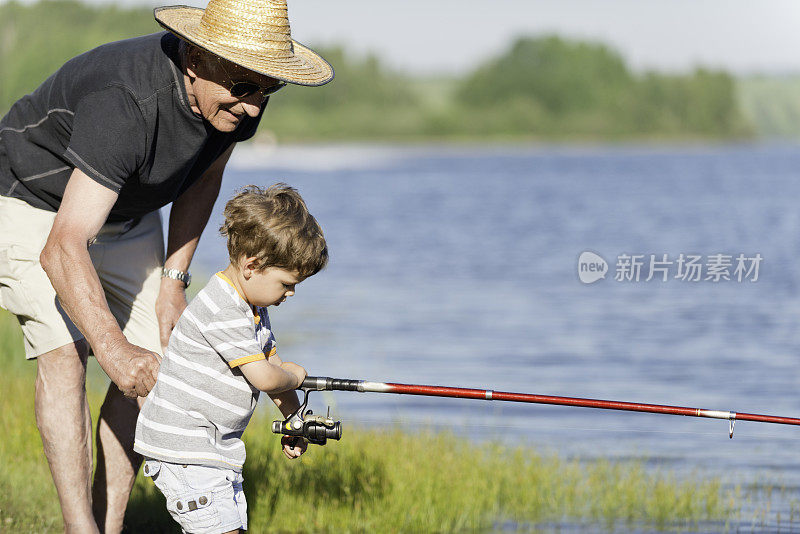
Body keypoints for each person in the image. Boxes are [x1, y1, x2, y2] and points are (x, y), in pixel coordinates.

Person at [0, 0, 333, 531]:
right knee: (68, 351)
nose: (252, 106)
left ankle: (108, 524)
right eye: (244, 86)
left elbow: (201, 180)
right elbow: (62, 247)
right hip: (34, 203)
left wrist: (174, 283)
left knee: (161, 358)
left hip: (125, 214)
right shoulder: (126, 102)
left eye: (268, 89)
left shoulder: (236, 105)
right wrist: (113, 350)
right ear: (197, 59)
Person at [134, 184, 325, 533]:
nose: (291, 293)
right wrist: (296, 377)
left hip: (215, 449)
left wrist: (294, 419)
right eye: (287, 283)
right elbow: (267, 378)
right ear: (252, 265)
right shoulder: (222, 308)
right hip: (186, 449)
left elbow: (273, 365)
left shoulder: (251, 307)